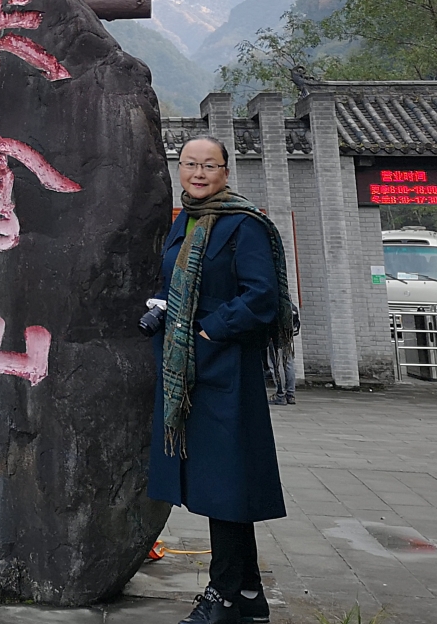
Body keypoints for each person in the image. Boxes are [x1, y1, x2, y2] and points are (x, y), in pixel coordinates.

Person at [139, 136, 296, 624]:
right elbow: (175, 283)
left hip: (225, 368)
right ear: (179, 169)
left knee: (226, 485)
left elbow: (262, 297)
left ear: (226, 171)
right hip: (186, 370)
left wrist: (209, 328)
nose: (199, 173)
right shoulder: (183, 221)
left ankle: (224, 593)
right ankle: (248, 596)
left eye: (209, 165)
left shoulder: (244, 225)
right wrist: (163, 307)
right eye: (190, 164)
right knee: (220, 486)